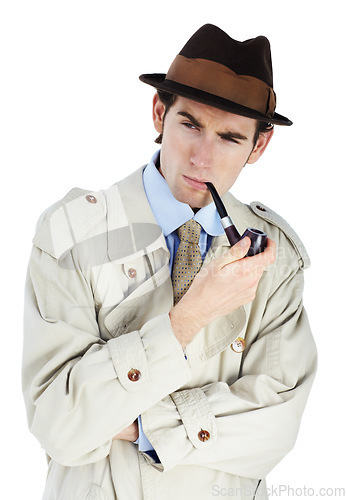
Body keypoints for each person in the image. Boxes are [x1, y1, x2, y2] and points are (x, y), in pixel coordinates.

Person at [22, 24, 317, 500]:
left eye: (229, 137)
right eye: (190, 125)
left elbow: (276, 424)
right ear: (159, 112)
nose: (203, 158)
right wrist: (189, 319)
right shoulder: (72, 233)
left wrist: (142, 424)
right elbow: (58, 423)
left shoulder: (274, 257)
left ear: (258, 146)